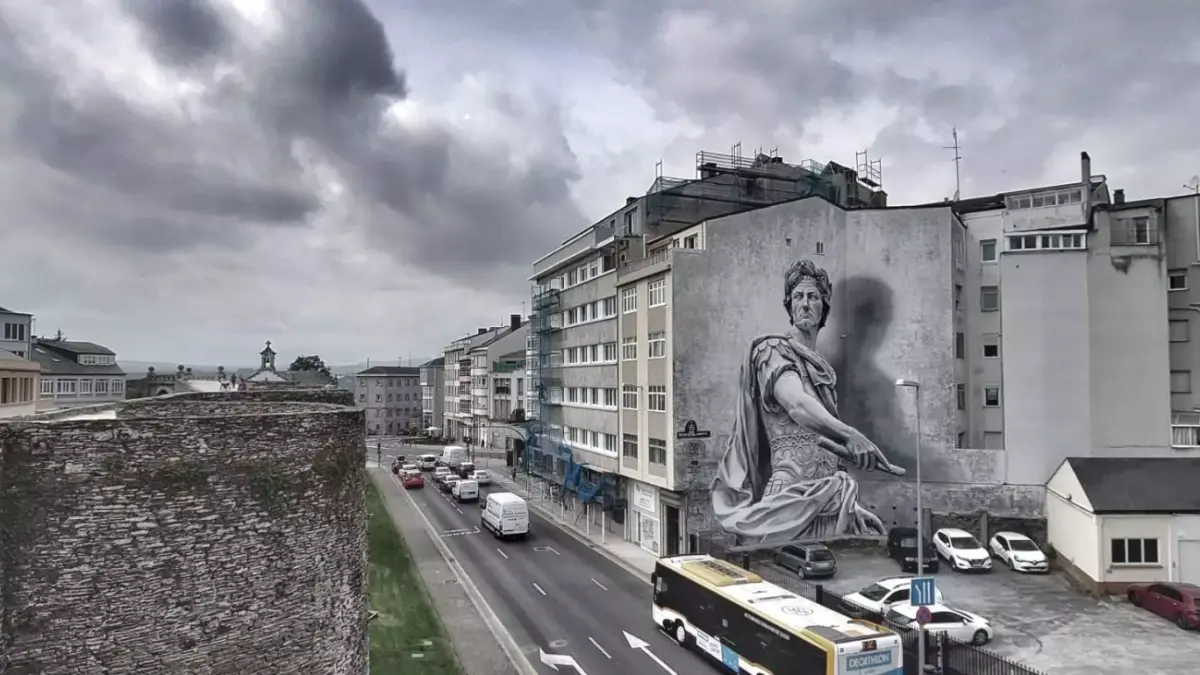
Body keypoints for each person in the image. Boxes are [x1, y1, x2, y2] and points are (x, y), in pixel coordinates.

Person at [711, 259, 905, 547]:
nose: (804, 304)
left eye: (813, 297)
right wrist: (851, 435)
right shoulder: (771, 350)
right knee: (780, 573)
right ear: (789, 305)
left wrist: (850, 503)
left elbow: (825, 447)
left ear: (823, 307)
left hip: (829, 502)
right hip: (787, 501)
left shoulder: (824, 371)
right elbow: (797, 405)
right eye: (798, 296)